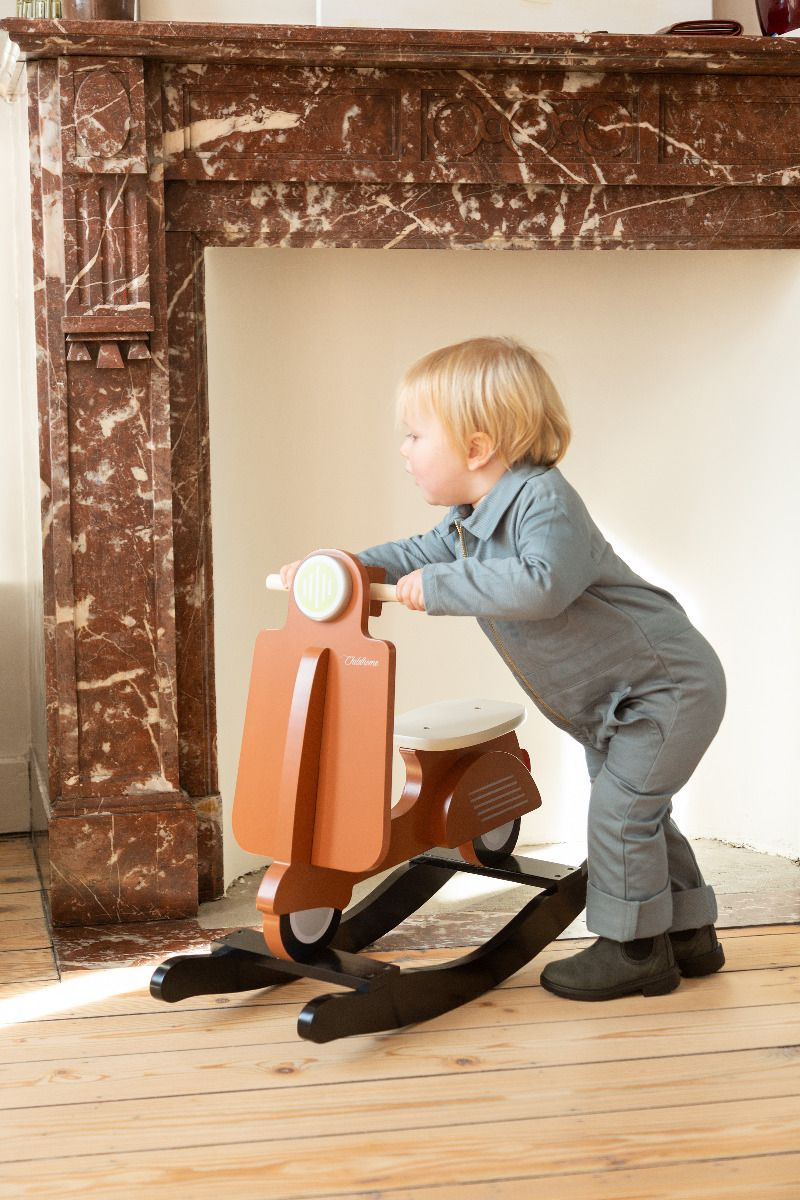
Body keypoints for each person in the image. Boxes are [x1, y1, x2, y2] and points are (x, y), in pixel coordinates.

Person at [281, 335, 726, 1002]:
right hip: (615, 704)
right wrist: (341, 568)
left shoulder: (545, 501)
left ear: (477, 448)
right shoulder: (466, 522)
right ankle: (688, 933)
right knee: (640, 815)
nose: (403, 450)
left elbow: (542, 584)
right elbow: (414, 553)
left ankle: (635, 952)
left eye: (415, 435)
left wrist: (441, 588)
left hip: (664, 687)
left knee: (621, 814)